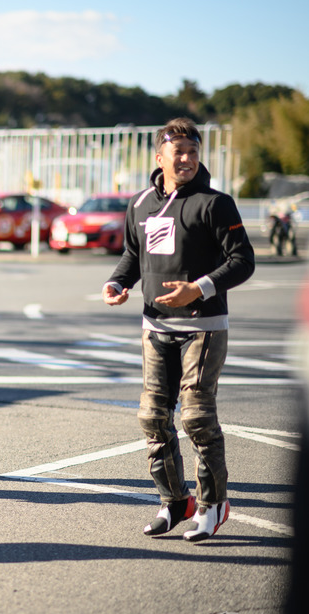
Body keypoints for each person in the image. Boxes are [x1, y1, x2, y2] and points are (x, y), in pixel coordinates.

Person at [102, 117, 255, 542]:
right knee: (152, 418)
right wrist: (117, 283)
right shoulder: (140, 204)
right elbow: (133, 257)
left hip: (203, 326)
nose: (186, 159)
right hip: (156, 327)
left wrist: (200, 289)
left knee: (197, 417)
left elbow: (243, 260)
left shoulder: (215, 203)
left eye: (192, 152)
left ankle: (213, 504)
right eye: (178, 152)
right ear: (159, 157)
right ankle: (175, 502)